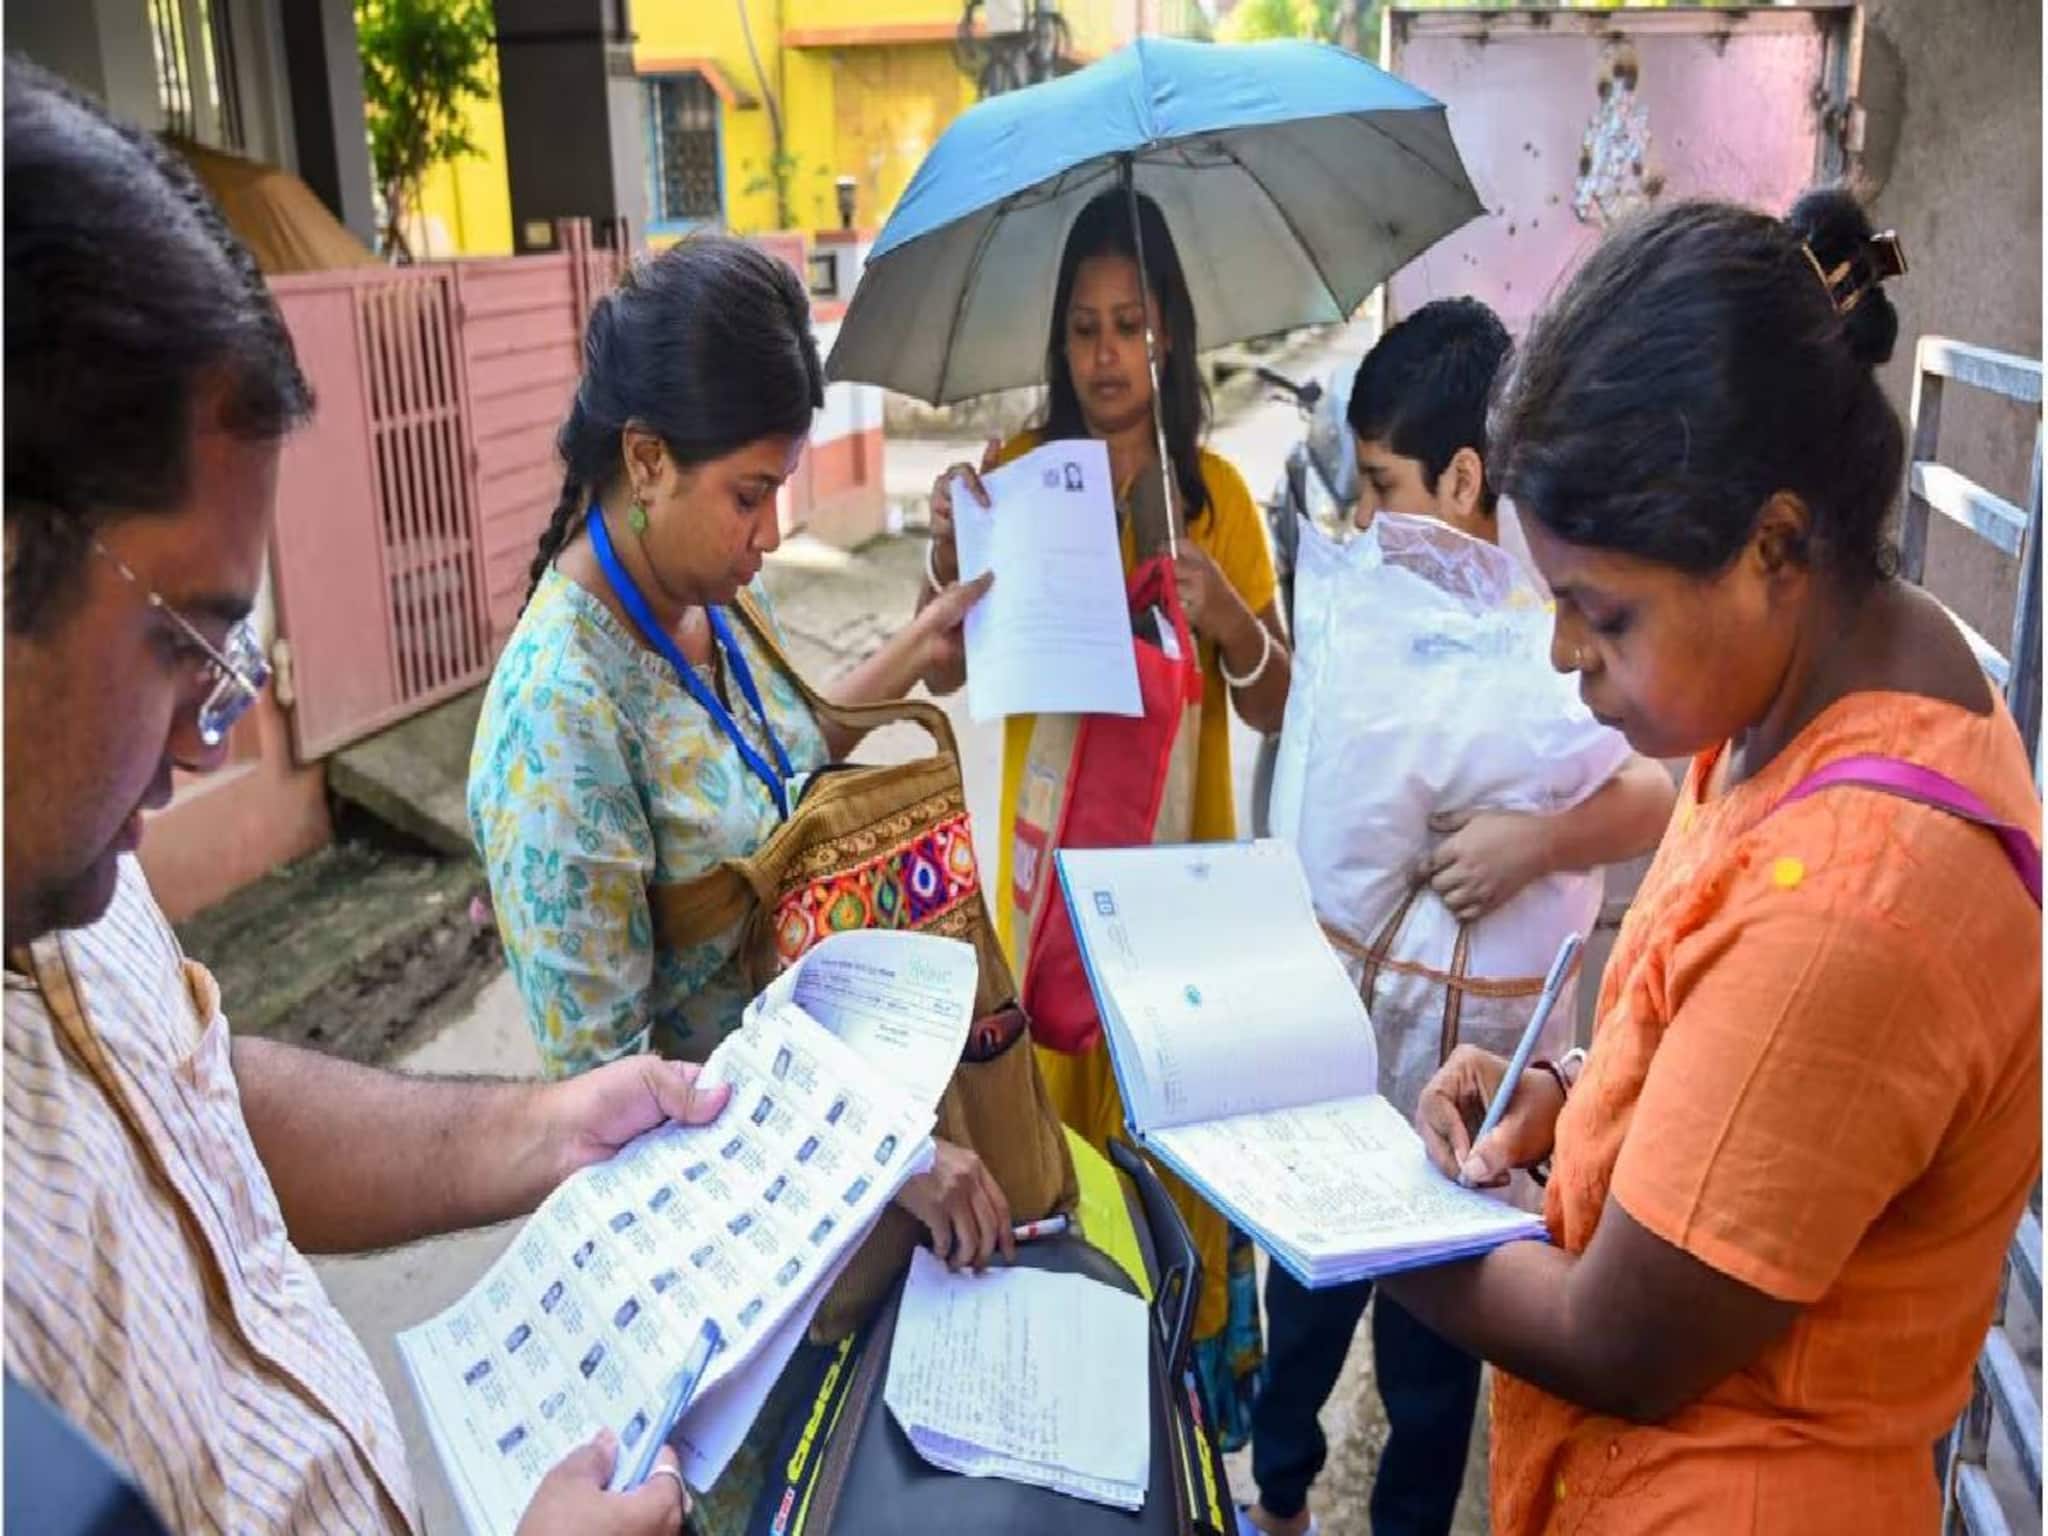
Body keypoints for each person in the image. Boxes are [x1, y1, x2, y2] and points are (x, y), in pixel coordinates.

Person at [2, 56, 724, 1536]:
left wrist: (539, 1128)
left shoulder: (69, 876)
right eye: (180, 644)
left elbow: (193, 1096)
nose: (211, 742)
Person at [1374, 192, 2041, 1535]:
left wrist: (1361, 1219)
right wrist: (1565, 1093)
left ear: (1775, 548)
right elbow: (1724, 1058)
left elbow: (1624, 1338)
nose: (1565, 658)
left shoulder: (1857, 901)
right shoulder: (1784, 704)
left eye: (1598, 615)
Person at [466, 235, 1013, 1534]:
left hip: (840, 1224)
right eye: (751, 495)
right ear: (645, 459)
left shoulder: (709, 598)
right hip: (730, 1298)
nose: (772, 536)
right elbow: (611, 1114)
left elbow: (757, 777)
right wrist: (881, 1163)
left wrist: (902, 657)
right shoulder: (559, 722)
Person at [1246, 299, 1676, 1536]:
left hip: (1469, 1090)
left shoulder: (1550, 624)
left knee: (1433, 1376)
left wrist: (1534, 839)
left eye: (1385, 485)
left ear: (1465, 475)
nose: (1368, 519)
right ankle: (1276, 1497)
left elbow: (1654, 788)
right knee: (1304, 1311)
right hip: (1335, 1066)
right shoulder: (1362, 604)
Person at [921, 188, 1291, 1448]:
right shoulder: (1022, 480)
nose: (1103, 357)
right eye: (1081, 329)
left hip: (1178, 913)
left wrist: (1229, 619)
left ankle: (1171, 1446)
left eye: (1128, 326)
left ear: (1169, 335)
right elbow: (953, 673)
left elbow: (1280, 694)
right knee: (1053, 1167)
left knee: (1165, 1159)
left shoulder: (1219, 499)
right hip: (1042, 912)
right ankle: (1063, 1436)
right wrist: (946, 559)